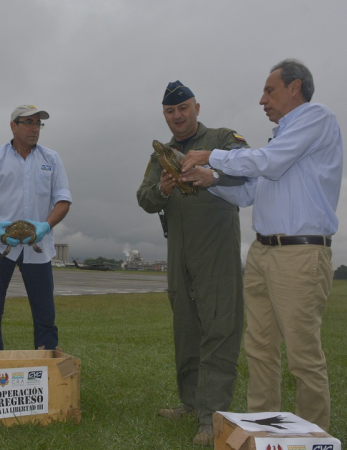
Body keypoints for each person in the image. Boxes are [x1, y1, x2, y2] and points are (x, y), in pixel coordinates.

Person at [180, 59, 343, 432]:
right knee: (260, 350)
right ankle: (263, 432)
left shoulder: (317, 118)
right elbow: (250, 192)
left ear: (295, 87)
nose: (262, 100)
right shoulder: (282, 137)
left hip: (300, 254)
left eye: (269, 91)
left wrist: (211, 155)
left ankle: (312, 436)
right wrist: (210, 180)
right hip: (262, 253)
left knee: (303, 355)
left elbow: (268, 162)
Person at [136, 81, 249, 446]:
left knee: (219, 328)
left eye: (183, 108)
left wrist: (212, 170)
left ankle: (210, 416)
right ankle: (190, 402)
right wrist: (164, 189)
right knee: (186, 328)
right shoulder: (160, 156)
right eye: (170, 111)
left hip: (216, 251)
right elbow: (145, 198)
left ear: (196, 107)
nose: (177, 116)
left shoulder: (220, 137)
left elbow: (248, 165)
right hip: (179, 251)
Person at [0, 105, 71, 351]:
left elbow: (63, 200)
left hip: (38, 247)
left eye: (38, 123)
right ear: (13, 126)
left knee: (45, 316)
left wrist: (45, 227)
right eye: (28, 122)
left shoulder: (52, 159)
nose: (34, 128)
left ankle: (46, 368)